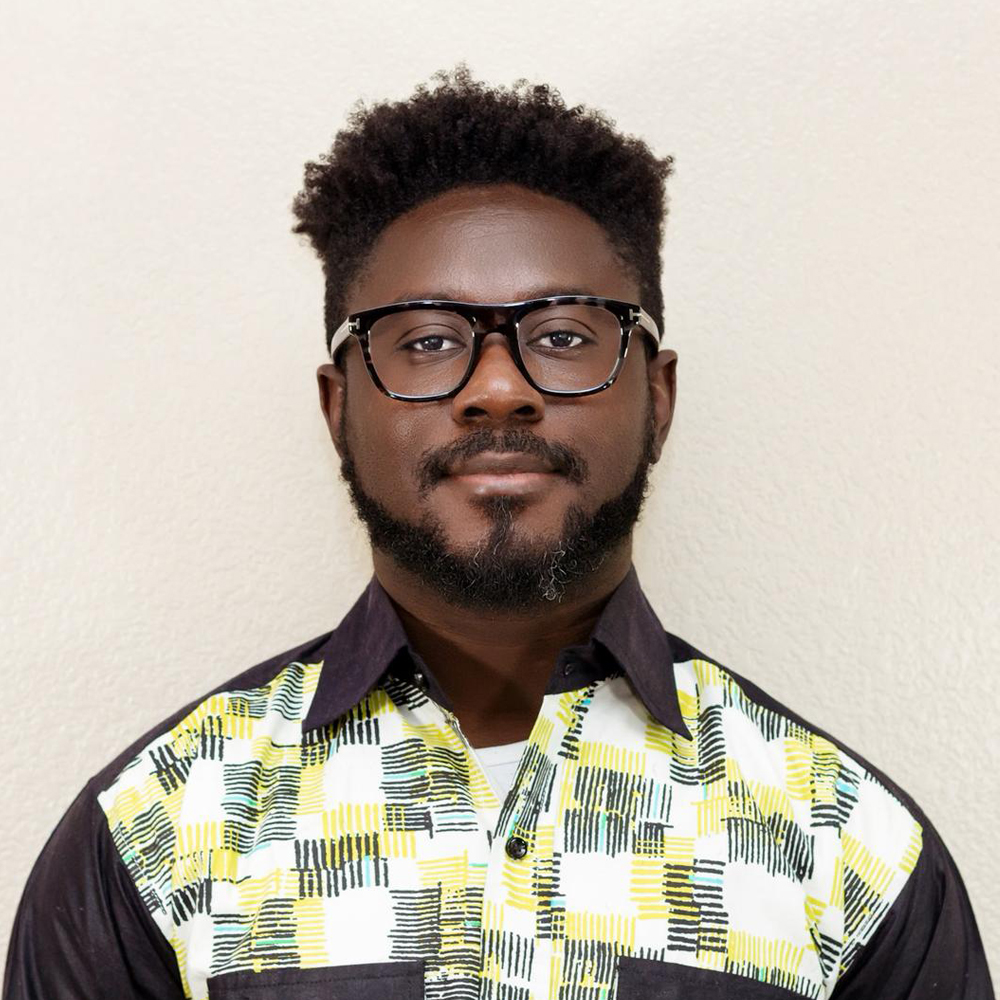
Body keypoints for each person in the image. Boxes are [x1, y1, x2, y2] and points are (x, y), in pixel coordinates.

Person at [3, 68, 992, 1000]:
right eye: (429, 340)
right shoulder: (154, 831)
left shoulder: (847, 846)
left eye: (562, 335)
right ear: (339, 407)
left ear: (657, 395)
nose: (499, 388)